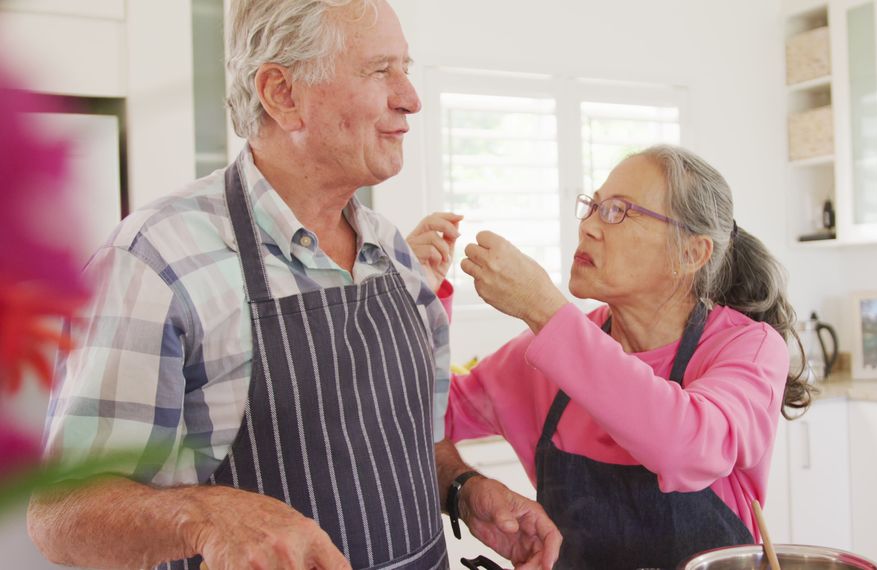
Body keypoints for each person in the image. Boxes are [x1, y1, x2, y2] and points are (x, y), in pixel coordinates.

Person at [27, 1, 560, 569]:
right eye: (381, 70)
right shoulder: (156, 261)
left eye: (404, 67)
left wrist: (463, 489)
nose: (410, 97)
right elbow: (61, 513)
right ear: (282, 94)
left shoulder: (395, 255)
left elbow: (412, 446)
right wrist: (205, 517)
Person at [448, 144, 811, 569]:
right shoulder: (542, 352)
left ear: (691, 254)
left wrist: (544, 309)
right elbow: (424, 414)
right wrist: (421, 303)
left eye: (618, 212)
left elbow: (685, 446)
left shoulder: (747, 348)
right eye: (593, 206)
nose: (588, 228)